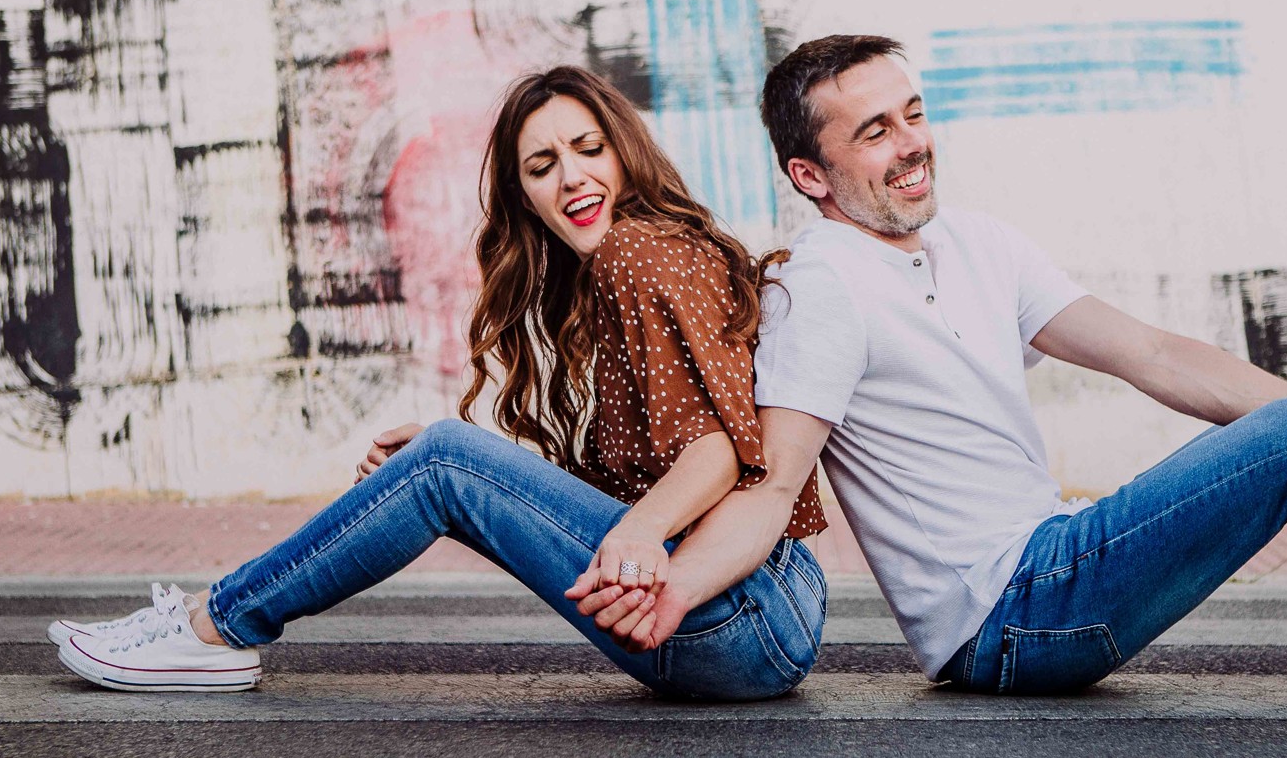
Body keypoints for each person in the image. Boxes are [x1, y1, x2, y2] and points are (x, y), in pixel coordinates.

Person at [573, 34, 1287, 700]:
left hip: (1050, 572)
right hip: (1008, 622)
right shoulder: (820, 286)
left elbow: (1149, 353)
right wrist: (674, 593)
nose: (911, 142)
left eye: (913, 112)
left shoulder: (975, 243)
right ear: (810, 174)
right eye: (871, 130)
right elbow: (774, 488)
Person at [49, 65, 828, 700]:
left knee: (447, 460)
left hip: (738, 607)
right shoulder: (643, 258)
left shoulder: (639, 251)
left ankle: (210, 626)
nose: (573, 178)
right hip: (757, 615)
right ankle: (212, 620)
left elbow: (721, 453)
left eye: (589, 148)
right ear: (524, 194)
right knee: (446, 460)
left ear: (624, 151)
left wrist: (622, 530)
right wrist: (467, 470)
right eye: (542, 165)